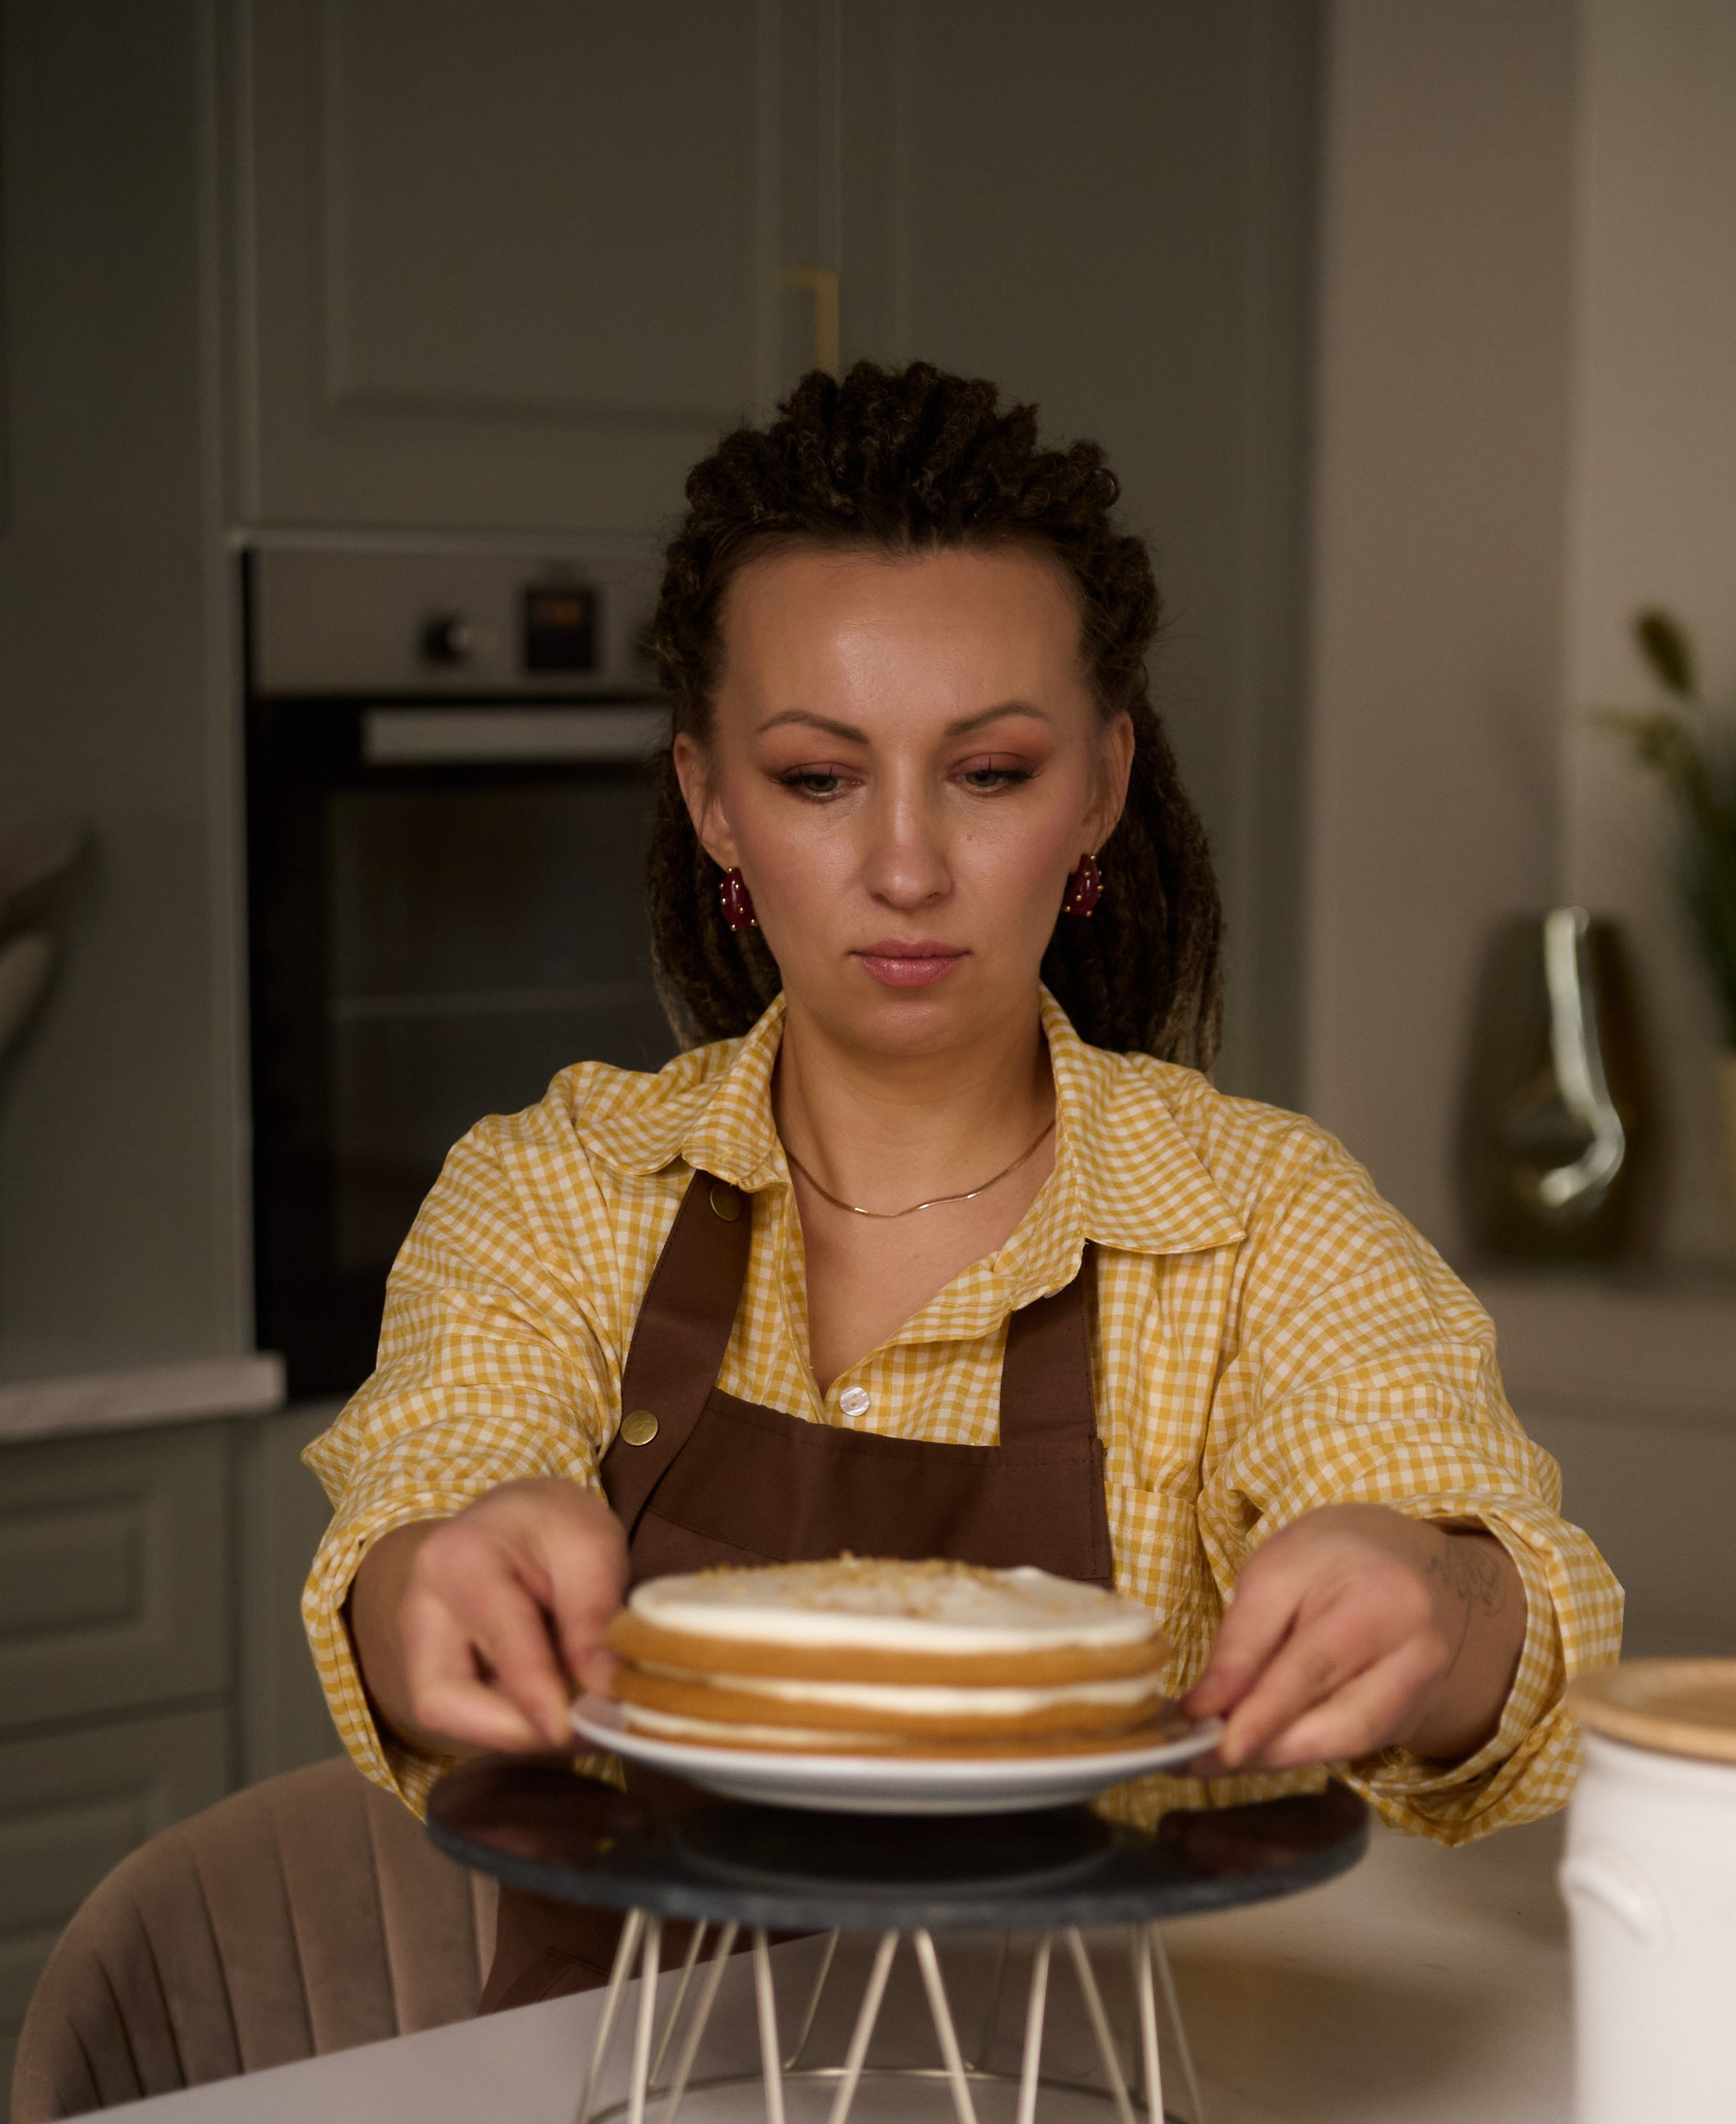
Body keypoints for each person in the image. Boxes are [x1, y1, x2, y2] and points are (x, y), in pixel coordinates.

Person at [305, 362, 1619, 2008]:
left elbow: (1525, 1621)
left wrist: (1430, 1597)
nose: (908, 864)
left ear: (1099, 786)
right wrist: (439, 1576)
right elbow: (421, 1497)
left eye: (988, 772)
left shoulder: (1263, 1220)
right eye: (814, 778)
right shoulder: (556, 1193)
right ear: (711, 800)